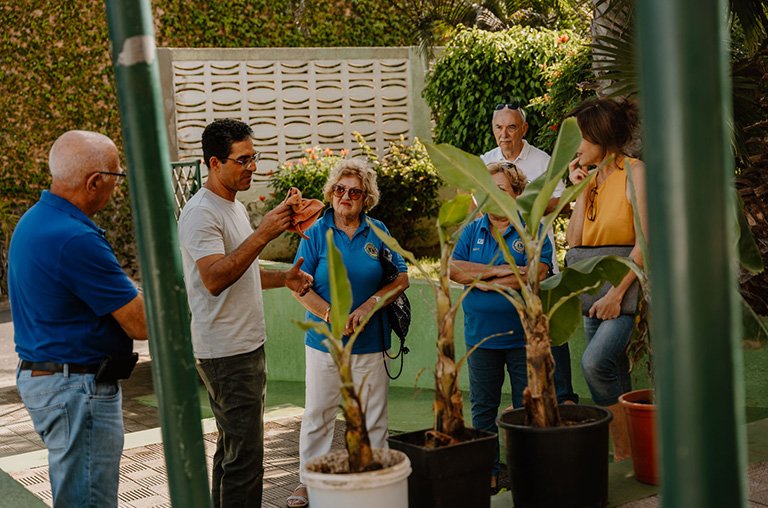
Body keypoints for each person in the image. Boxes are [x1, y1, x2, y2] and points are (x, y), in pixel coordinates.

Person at [177, 118, 314, 507]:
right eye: (243, 160)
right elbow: (215, 279)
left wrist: (284, 278)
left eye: (254, 157)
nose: (252, 166)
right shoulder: (202, 212)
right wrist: (264, 233)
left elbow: (242, 268)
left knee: (232, 452)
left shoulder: (231, 206)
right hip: (226, 352)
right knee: (246, 459)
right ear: (215, 163)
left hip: (243, 347)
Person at [8, 130, 148, 507]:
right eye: (118, 177)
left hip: (53, 380)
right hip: (76, 388)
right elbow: (142, 323)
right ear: (94, 182)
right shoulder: (75, 239)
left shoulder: (36, 220)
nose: (118, 186)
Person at [288, 159, 409, 508]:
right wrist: (329, 313)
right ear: (331, 192)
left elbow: (401, 278)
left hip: (373, 343)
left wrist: (371, 304)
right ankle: (309, 483)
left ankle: (372, 478)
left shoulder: (379, 230)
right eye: (339, 189)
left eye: (355, 191)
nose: (346, 196)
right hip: (325, 343)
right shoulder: (316, 231)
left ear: (365, 197)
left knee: (373, 417)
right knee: (318, 414)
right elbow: (297, 283)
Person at [450, 161, 553, 493]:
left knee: (529, 407)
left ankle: (530, 471)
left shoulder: (530, 227)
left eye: (503, 190)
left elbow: (537, 272)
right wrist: (504, 274)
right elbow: (453, 269)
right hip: (481, 336)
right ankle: (489, 471)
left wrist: (481, 275)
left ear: (517, 192)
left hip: (524, 337)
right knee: (483, 409)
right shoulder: (473, 229)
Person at [565, 98, 648, 461]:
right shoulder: (592, 180)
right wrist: (580, 191)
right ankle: (637, 453)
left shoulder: (635, 172)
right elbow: (574, 241)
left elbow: (646, 240)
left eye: (580, 137)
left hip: (622, 287)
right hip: (590, 289)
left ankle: (623, 452)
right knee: (614, 369)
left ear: (599, 137)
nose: (576, 147)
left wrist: (616, 295)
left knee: (595, 364)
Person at [481, 101, 578, 406]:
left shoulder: (542, 161)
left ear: (523, 129)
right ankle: (530, 397)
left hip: (538, 257)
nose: (504, 134)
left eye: (511, 127)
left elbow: (561, 201)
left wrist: (521, 206)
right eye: (499, 127)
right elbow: (477, 206)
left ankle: (564, 396)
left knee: (547, 324)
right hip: (497, 259)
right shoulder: (486, 161)